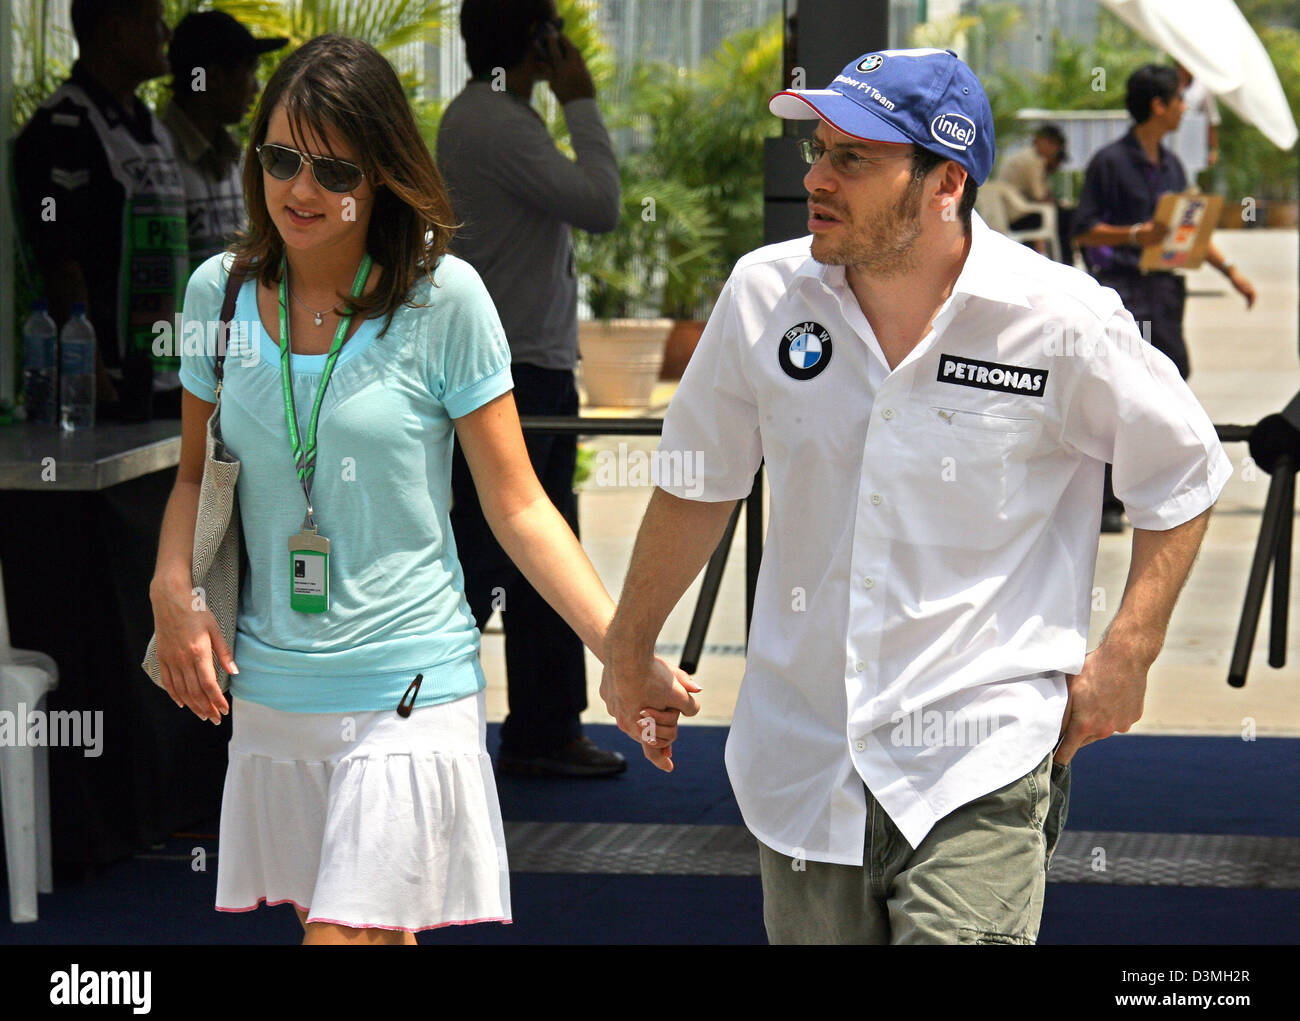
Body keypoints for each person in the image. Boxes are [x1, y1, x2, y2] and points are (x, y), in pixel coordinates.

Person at [599, 48, 1231, 945]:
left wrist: (1130, 650)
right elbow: (698, 483)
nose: (816, 177)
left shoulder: (1061, 319)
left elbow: (1184, 471)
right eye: (819, 150)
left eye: (853, 158)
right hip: (804, 764)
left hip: (980, 763)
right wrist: (629, 649)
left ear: (946, 183)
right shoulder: (764, 295)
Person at [148, 34, 694, 945]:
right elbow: (196, 476)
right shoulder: (221, 295)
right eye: (281, 160)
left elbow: (519, 506)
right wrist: (173, 586)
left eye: (334, 170)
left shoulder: (444, 301)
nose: (300, 189)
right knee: (370, 933)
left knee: (344, 936)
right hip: (275, 689)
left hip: (409, 686)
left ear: (383, 176)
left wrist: (622, 648)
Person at [437, 0, 624, 777]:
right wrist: (579, 99)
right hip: (519, 371)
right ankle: (533, 729)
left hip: (516, 364)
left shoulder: (485, 116)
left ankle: (537, 727)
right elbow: (602, 205)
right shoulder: (500, 124)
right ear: (539, 40)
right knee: (515, 554)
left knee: (514, 555)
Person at [1073, 64, 1255, 531]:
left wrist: (1232, 272)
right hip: (1124, 291)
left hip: (1166, 291)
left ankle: (1151, 484)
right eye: (1177, 100)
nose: (1182, 108)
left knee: (1171, 377)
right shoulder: (1109, 163)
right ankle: (1107, 499)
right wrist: (1136, 234)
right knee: (1120, 390)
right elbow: (1084, 231)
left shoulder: (1172, 167)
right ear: (1158, 106)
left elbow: (1189, 230)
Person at [13, 0, 187, 421]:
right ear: (114, 30)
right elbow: (59, 260)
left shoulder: (152, 127)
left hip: (168, 380)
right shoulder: (63, 126)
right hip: (109, 390)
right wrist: (93, 381)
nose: (165, 35)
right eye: (154, 22)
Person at [162, 11, 286, 279]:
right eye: (249, 71)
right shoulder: (156, 157)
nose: (256, 88)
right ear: (215, 77)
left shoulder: (234, 159)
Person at [996, 124, 1070, 260]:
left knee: (1061, 216)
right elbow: (1039, 195)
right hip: (1018, 215)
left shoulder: (1026, 156)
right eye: (1053, 145)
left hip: (1011, 212)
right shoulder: (1034, 159)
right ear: (1042, 141)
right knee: (1067, 218)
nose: (1054, 150)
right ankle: (1065, 261)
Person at [1169, 61, 1221, 182]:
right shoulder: (1167, 81)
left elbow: (1211, 119)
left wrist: (1213, 149)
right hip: (1168, 139)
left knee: (1187, 180)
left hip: (1190, 143)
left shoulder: (1202, 86)